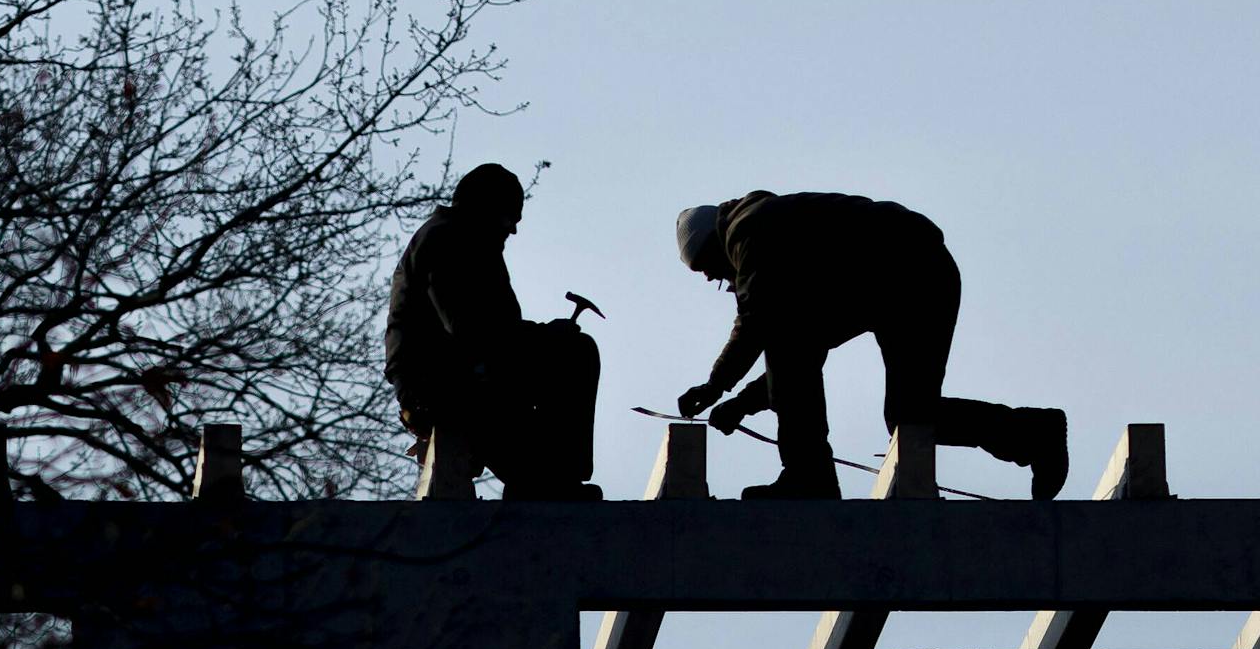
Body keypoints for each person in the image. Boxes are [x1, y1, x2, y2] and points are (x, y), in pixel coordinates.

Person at [674, 191, 1068, 501]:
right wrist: (744, 401)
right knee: (909, 418)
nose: (710, 278)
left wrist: (715, 385)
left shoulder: (750, 232)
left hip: (913, 276)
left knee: (792, 349)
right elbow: (801, 348)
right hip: (909, 278)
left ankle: (808, 479)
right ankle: (1034, 434)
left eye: (703, 267)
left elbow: (757, 323)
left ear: (712, 244)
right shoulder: (782, 244)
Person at [385, 165, 601, 498]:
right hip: (442, 382)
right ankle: (552, 479)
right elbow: (472, 331)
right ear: (483, 208)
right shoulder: (448, 240)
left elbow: (493, 330)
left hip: (457, 372)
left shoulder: (464, 242)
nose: (513, 230)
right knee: (577, 353)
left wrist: (541, 336)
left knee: (561, 353)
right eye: (509, 217)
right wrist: (546, 339)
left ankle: (545, 477)